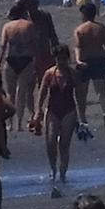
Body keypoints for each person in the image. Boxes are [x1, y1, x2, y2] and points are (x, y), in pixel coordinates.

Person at [35, 44, 83, 195]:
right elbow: (42, 93)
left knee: (64, 144)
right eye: (58, 58)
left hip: (69, 111)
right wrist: (38, 112)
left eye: (63, 58)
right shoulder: (50, 73)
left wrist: (82, 116)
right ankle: (53, 169)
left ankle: (62, 172)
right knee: (50, 142)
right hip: (53, 111)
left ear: (67, 59)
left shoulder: (73, 74)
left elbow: (80, 95)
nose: (60, 61)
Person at [72, 0, 105, 126]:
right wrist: (102, 55)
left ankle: (82, 117)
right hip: (99, 60)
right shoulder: (100, 28)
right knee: (102, 91)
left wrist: (78, 60)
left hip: (85, 61)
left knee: (82, 92)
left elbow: (78, 47)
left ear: (84, 14)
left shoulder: (80, 29)